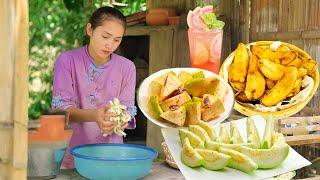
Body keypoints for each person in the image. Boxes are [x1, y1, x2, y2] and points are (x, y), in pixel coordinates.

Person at [52, 6, 137, 169]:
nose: (110, 45)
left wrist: (119, 119)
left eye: (117, 39)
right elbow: (60, 112)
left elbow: (129, 113)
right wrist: (94, 115)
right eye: (105, 36)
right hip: (73, 157)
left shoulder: (127, 67)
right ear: (90, 29)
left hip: (112, 156)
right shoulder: (67, 61)